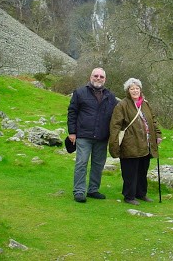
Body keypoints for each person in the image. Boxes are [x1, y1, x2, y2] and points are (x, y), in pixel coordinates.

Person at [67, 67, 118, 203]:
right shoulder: (80, 92)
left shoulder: (110, 96)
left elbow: (119, 113)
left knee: (98, 165)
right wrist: (72, 132)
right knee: (81, 163)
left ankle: (93, 190)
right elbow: (72, 112)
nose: (98, 78)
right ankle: (79, 191)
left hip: (102, 137)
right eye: (96, 76)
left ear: (105, 79)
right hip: (84, 135)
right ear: (91, 77)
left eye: (101, 77)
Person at [109, 78, 162, 205]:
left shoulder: (145, 104)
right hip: (130, 144)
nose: (135, 90)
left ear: (140, 89)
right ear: (128, 91)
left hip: (146, 143)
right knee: (130, 172)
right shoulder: (122, 105)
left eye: (137, 88)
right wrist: (114, 144)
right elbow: (115, 125)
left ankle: (141, 193)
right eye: (132, 88)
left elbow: (153, 120)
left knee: (143, 170)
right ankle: (129, 196)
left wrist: (158, 134)